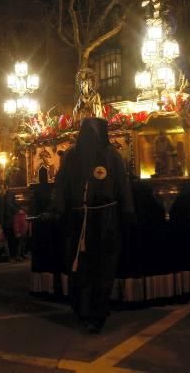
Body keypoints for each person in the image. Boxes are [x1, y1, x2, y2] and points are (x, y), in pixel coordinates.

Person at [49, 117, 135, 333]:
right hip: (78, 219)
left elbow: (122, 184)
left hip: (105, 218)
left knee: (103, 266)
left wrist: (127, 211)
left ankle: (97, 311)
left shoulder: (111, 155)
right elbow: (61, 185)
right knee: (80, 266)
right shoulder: (71, 156)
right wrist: (57, 208)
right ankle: (82, 308)